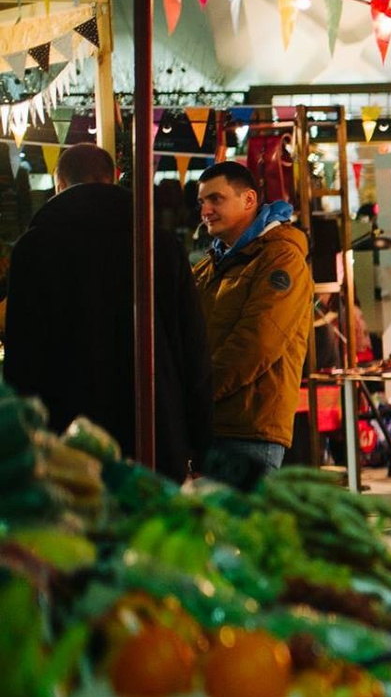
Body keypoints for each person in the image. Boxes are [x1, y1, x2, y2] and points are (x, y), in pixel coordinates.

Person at [3, 144, 211, 480]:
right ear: (114, 178)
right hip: (153, 430)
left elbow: (22, 356)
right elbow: (192, 345)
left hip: (67, 439)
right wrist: (200, 440)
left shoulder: (34, 248)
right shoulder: (158, 243)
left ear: (59, 183)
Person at [193, 160, 313, 488]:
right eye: (201, 202)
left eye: (215, 199)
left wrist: (197, 392)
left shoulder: (281, 257)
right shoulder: (209, 265)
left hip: (250, 430)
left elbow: (258, 343)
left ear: (248, 200)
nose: (205, 210)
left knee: (240, 520)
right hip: (211, 423)